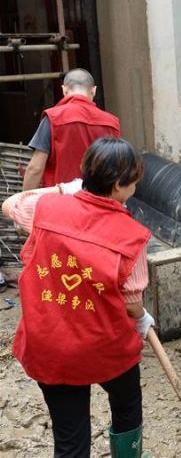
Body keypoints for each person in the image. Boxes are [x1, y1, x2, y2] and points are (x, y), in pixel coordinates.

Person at [3, 137, 154, 457]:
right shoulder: (132, 236)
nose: (136, 188)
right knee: (127, 406)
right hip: (104, 348)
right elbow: (130, 303)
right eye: (134, 182)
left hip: (50, 345)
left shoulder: (44, 209)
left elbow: (11, 202)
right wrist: (142, 319)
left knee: (70, 440)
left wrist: (61, 190)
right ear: (117, 186)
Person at [23, 68, 121, 191]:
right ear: (94, 91)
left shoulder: (53, 118)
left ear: (64, 90)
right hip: (99, 201)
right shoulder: (112, 123)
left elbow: (35, 169)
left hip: (62, 201)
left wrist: (23, 201)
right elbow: (117, 168)